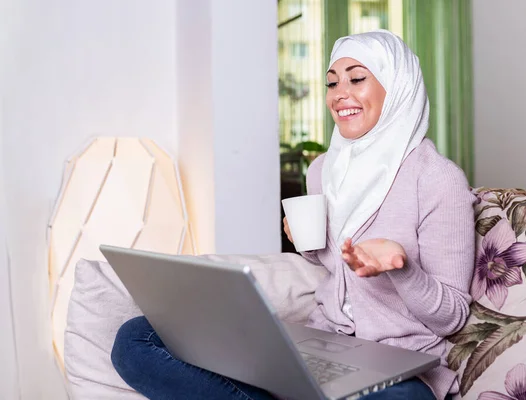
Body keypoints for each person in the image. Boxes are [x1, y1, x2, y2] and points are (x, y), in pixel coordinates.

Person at [111, 29, 475, 400]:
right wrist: (309, 245)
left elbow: (452, 316)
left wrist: (402, 269)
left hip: (399, 369)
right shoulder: (323, 169)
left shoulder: (437, 179)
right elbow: (337, 269)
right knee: (136, 338)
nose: (340, 94)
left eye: (357, 78)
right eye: (332, 83)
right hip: (321, 349)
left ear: (397, 86)